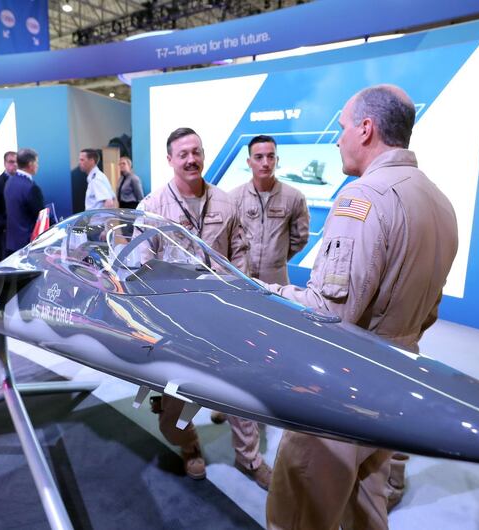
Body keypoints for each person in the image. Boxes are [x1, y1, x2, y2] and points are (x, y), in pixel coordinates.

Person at [263, 85, 458, 530]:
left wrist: (264, 293)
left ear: (366, 129)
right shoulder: (439, 201)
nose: (337, 139)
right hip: (399, 377)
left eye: (343, 127)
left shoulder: (363, 198)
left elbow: (327, 316)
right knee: (366, 510)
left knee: (299, 514)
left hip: (343, 388)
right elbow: (429, 311)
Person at [138, 128, 273, 488]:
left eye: (196, 151)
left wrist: (239, 300)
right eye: (182, 153)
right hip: (176, 326)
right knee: (172, 412)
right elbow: (139, 267)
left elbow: (239, 254)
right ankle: (190, 446)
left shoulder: (226, 203)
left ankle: (250, 458)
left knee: (240, 397)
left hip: (223, 319)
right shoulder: (153, 208)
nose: (191, 159)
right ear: (170, 160)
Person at [228, 134, 309, 285]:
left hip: (277, 282)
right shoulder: (233, 198)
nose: (265, 163)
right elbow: (228, 240)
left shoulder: (294, 197)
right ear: (249, 162)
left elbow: (299, 239)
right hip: (241, 279)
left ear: (277, 160)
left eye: (271, 157)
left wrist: (275, 260)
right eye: (258, 157)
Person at [4, 148, 45, 255]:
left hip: (11, 243)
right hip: (27, 245)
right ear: (30, 164)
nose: (38, 165)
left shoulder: (9, 182)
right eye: (36, 162)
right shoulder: (31, 187)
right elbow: (41, 216)